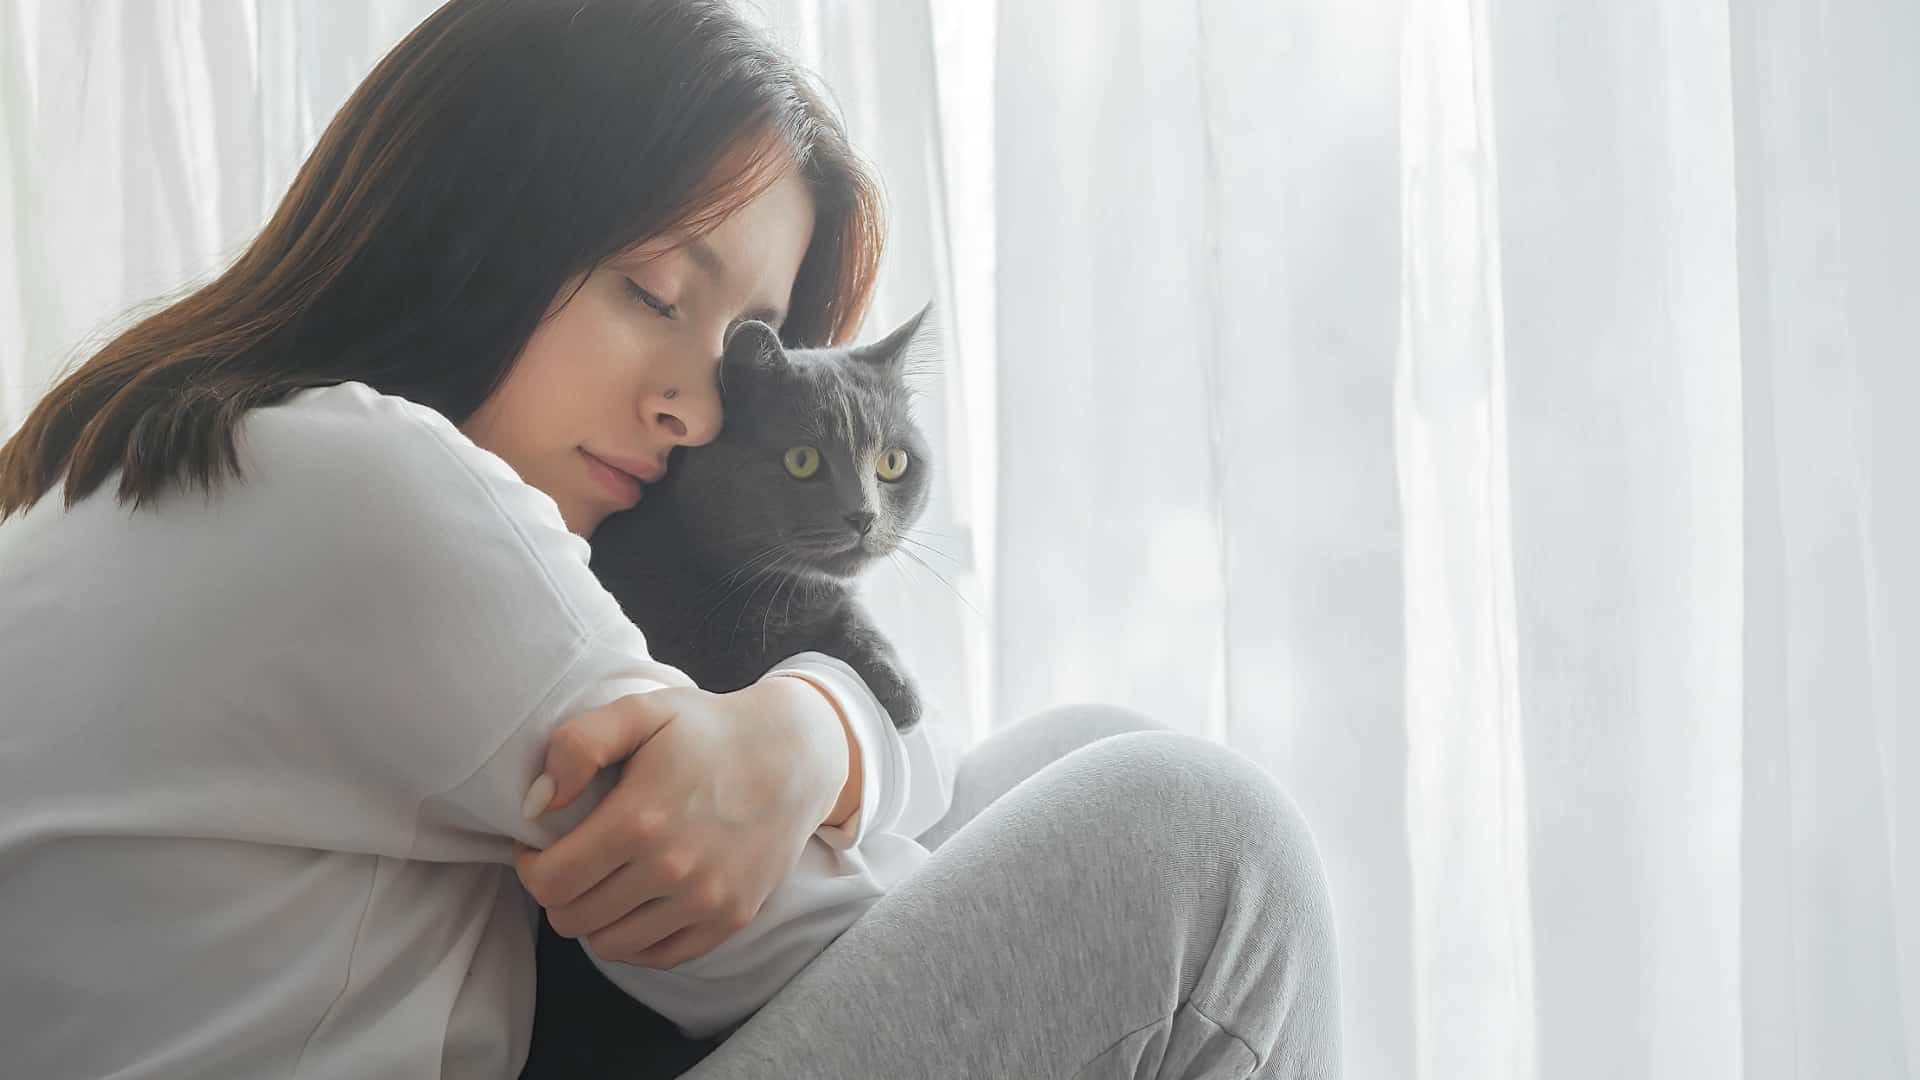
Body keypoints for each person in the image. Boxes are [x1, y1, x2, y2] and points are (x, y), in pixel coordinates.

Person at [0, 0, 1344, 1076]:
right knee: (1200, 848)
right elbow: (807, 937)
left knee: (1079, 754)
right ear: (471, 220)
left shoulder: (155, 460)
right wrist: (822, 729)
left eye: (737, 353)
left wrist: (816, 726)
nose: (694, 409)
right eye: (653, 294)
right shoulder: (374, 498)